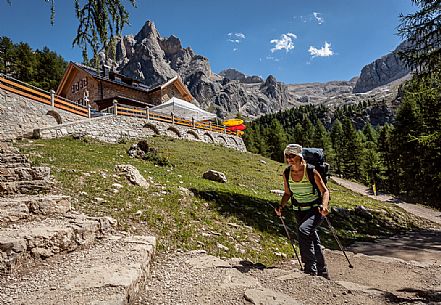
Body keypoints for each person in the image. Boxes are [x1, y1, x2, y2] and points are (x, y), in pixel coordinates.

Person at [275, 143, 330, 278]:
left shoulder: (311, 171)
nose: (289, 159)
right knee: (311, 237)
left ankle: (310, 268)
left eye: (292, 156)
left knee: (303, 231)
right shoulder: (287, 173)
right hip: (298, 209)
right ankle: (322, 271)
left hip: (315, 209)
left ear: (300, 156)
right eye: (287, 156)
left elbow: (325, 191)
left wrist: (324, 206)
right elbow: (287, 193)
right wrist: (281, 206)